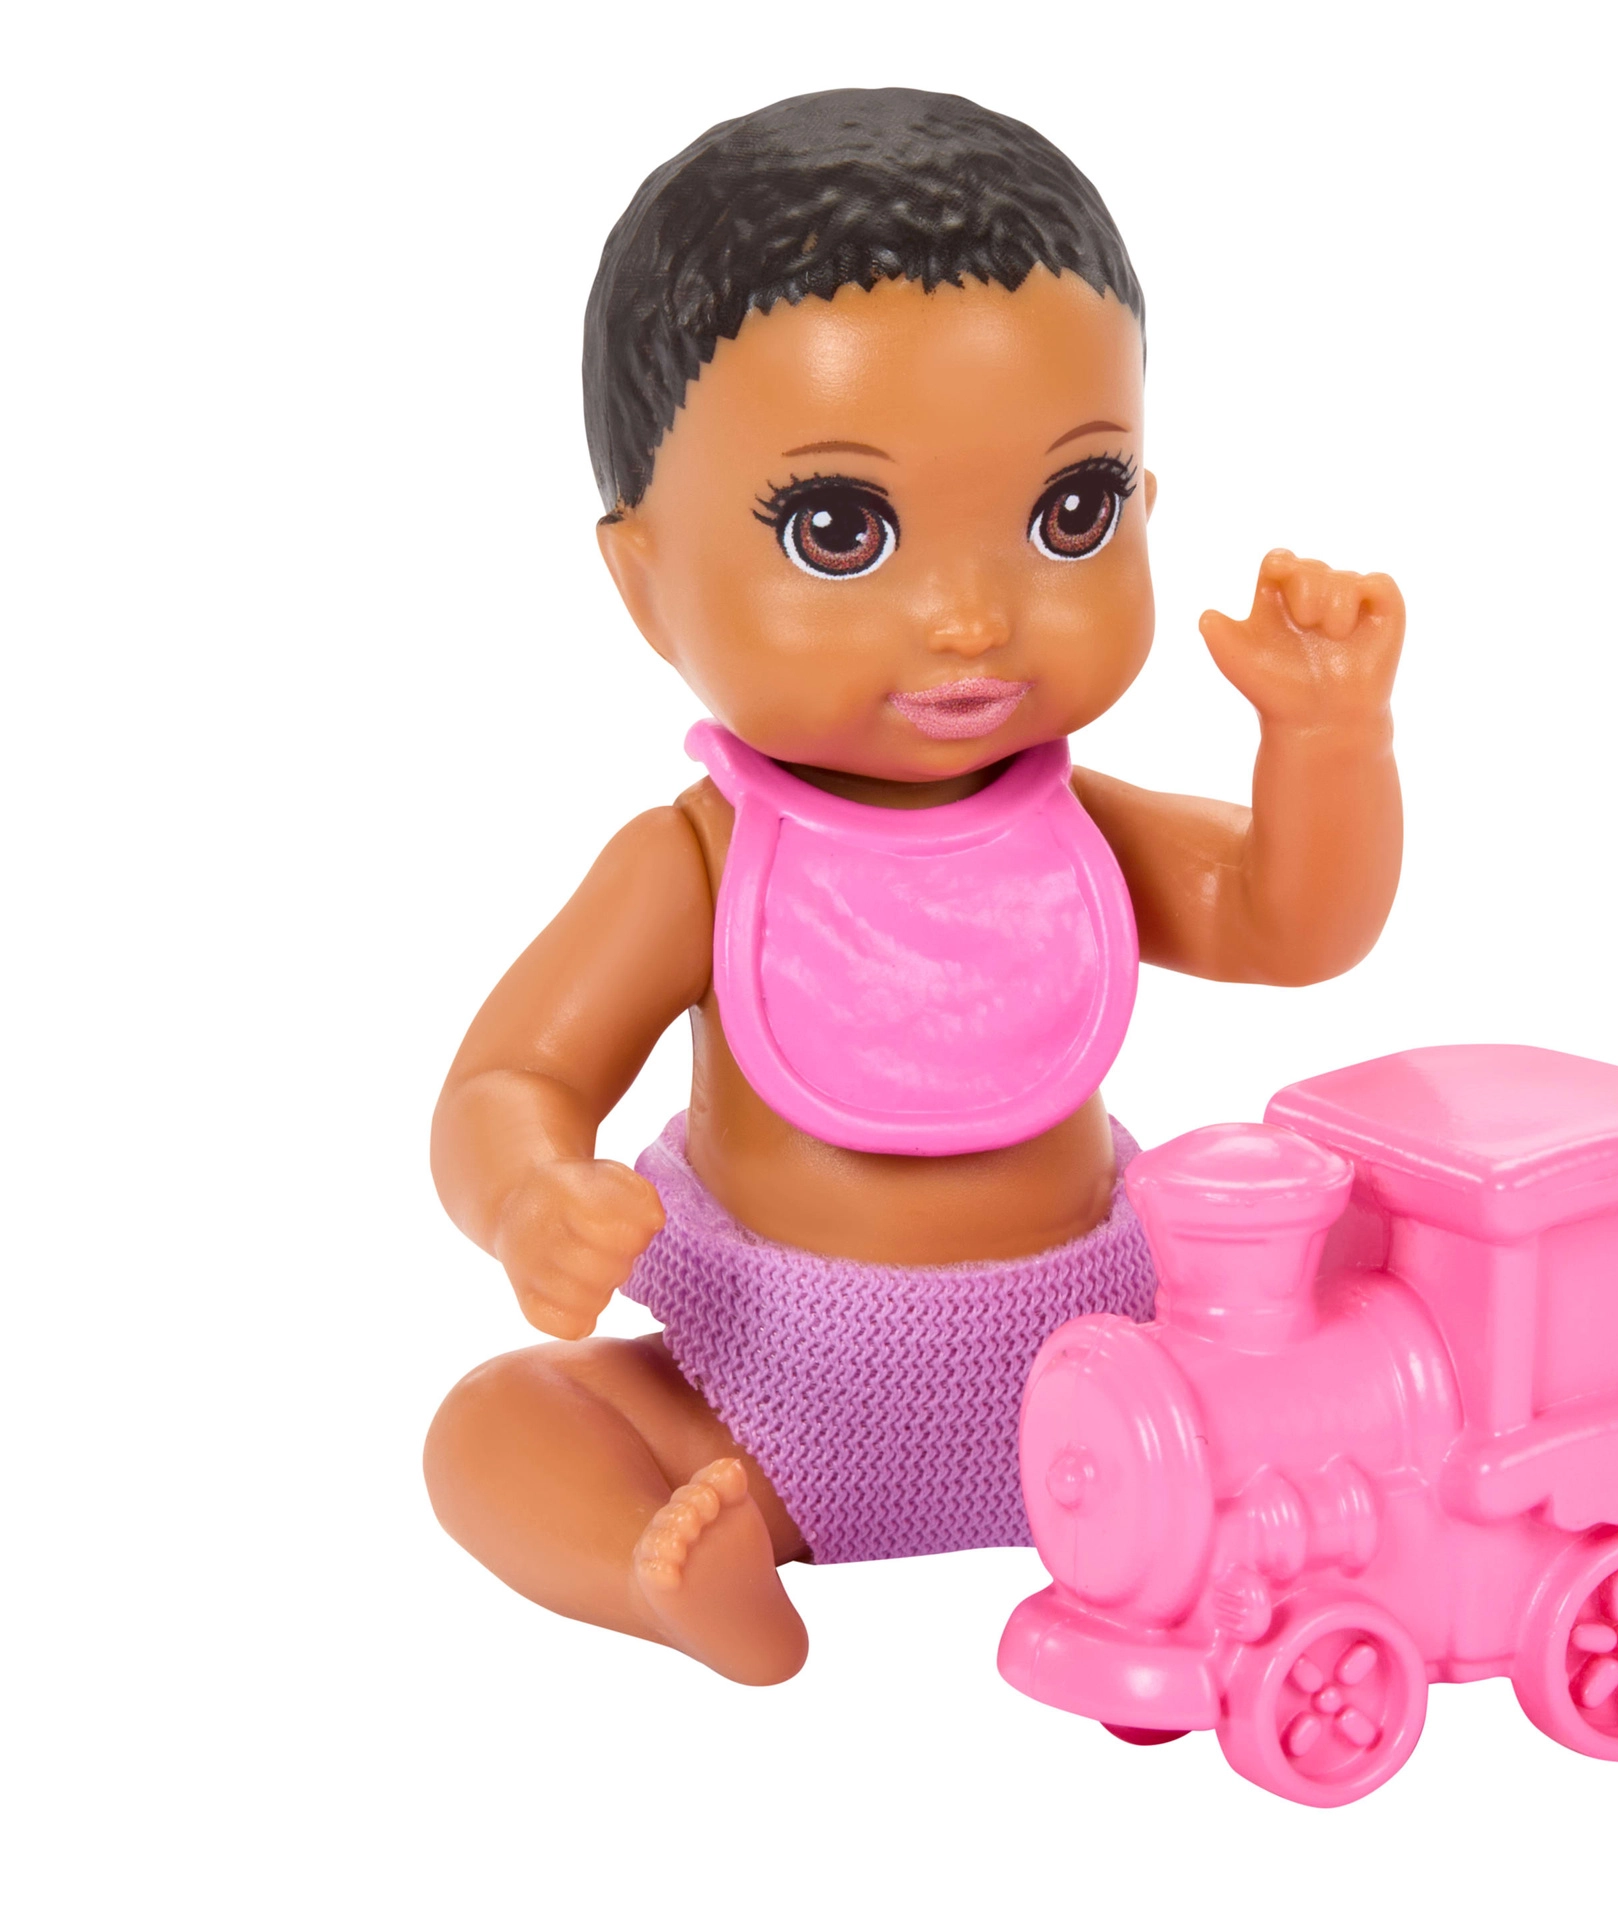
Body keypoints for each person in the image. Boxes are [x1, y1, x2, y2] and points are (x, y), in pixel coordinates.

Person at [424, 87, 1405, 1685]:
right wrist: (533, 1194)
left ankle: (1213, 1534)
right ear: (647, 578)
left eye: (1070, 513)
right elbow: (509, 1080)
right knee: (493, 1429)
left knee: (1346, 1320)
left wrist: (1329, 743)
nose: (971, 617)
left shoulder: (1076, 827)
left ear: (1146, 501)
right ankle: (665, 1576)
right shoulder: (697, 864)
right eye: (841, 528)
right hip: (758, 1408)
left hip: (1110, 1391)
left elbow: (1288, 922)